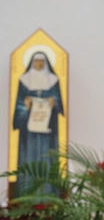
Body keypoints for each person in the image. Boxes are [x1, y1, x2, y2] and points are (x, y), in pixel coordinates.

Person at [13, 51, 64, 195]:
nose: (39, 63)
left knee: (47, 157)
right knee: (30, 158)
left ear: (46, 62)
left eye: (42, 61)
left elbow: (59, 101)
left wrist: (54, 102)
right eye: (36, 61)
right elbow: (19, 104)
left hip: (48, 129)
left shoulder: (53, 80)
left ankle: (49, 195)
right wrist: (25, 105)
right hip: (29, 132)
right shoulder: (24, 80)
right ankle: (28, 196)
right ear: (31, 62)